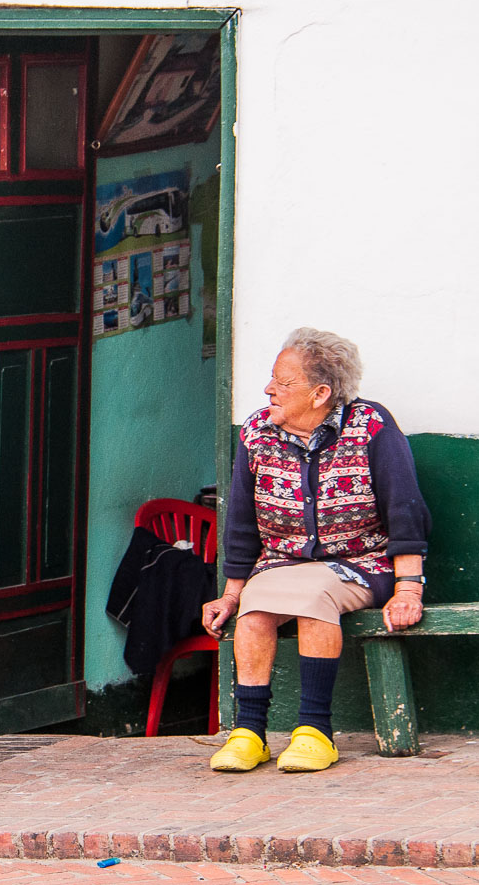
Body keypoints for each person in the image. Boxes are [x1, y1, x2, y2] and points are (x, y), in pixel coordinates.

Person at [202, 327, 430, 773]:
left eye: (283, 382)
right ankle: (248, 732)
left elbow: (405, 510)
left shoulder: (371, 426)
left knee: (313, 596)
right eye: (272, 378)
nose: (269, 389)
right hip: (280, 565)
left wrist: (409, 589)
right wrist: (231, 594)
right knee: (254, 609)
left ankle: (315, 730)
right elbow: (242, 524)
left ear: (321, 393)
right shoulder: (256, 432)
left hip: (360, 564)